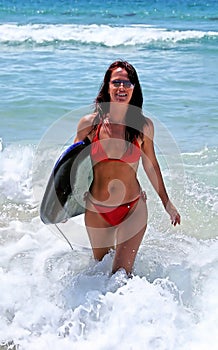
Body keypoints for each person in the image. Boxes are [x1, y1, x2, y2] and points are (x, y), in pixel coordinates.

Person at [74, 60, 180, 276]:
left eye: (128, 82)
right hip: (96, 210)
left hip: (132, 208)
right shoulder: (89, 124)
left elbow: (151, 166)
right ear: (107, 86)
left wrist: (166, 203)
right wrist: (65, 203)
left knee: (119, 275)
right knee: (100, 272)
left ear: (134, 88)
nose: (122, 87)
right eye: (116, 82)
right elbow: (72, 165)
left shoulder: (143, 126)